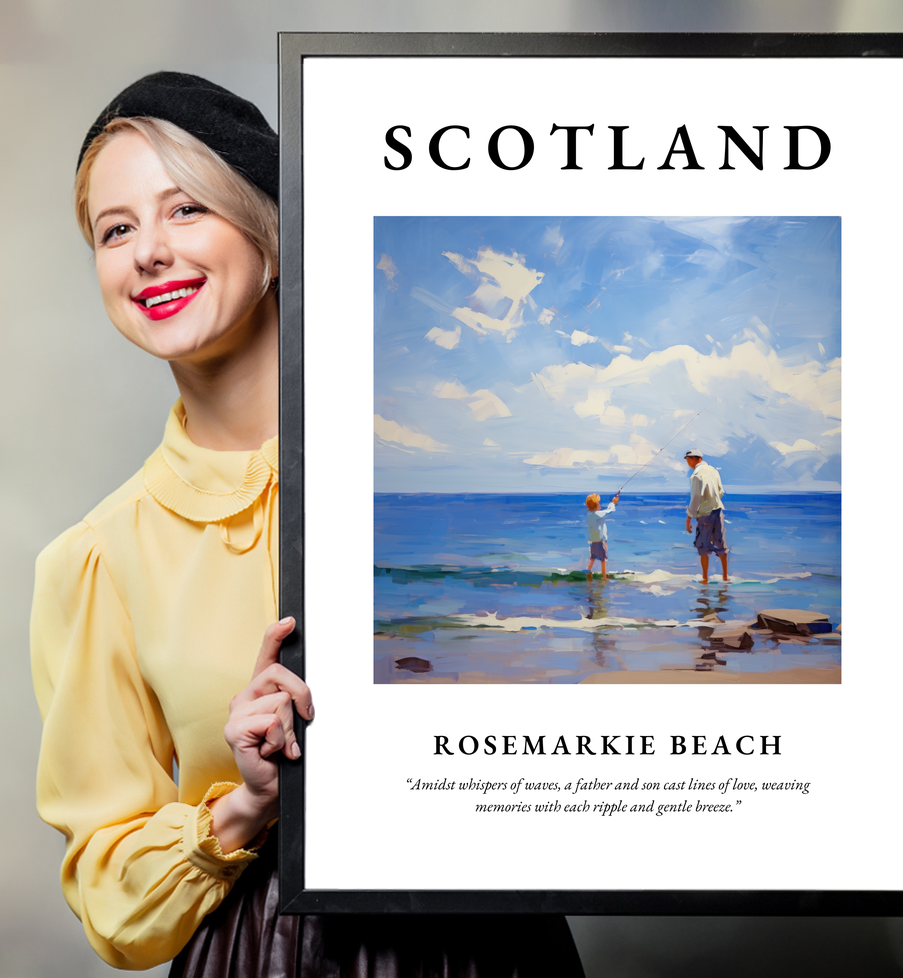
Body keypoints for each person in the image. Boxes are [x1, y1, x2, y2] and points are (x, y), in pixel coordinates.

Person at [30, 72, 584, 977]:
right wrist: (244, 805)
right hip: (262, 954)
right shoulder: (97, 559)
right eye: (116, 229)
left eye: (186, 210)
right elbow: (110, 896)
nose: (148, 252)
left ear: (273, 235)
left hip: (494, 945)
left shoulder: (432, 479)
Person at [683, 448, 728, 584]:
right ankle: (725, 576)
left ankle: (705, 578)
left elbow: (695, 497)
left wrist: (689, 516)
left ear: (694, 459)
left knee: (703, 546)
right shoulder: (714, 471)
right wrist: (713, 500)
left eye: (688, 460)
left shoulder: (696, 475)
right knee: (721, 545)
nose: (688, 463)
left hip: (705, 514)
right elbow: (720, 491)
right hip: (717, 510)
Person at [585, 491, 619, 579]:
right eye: (598, 503)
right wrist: (613, 503)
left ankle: (588, 573)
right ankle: (604, 577)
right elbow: (608, 512)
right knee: (603, 560)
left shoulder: (590, 515)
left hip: (593, 542)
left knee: (592, 558)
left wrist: (612, 503)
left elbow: (604, 512)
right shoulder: (597, 515)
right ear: (595, 505)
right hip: (600, 542)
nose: (599, 505)